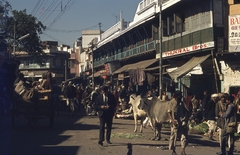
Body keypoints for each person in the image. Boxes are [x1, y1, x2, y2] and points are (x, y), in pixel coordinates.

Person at [167, 91, 189, 155]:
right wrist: (172, 120)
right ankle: (173, 150)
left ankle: (183, 150)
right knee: (174, 137)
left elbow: (186, 111)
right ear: (176, 97)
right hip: (175, 122)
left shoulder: (182, 103)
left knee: (184, 136)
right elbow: (169, 112)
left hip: (182, 121)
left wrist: (186, 119)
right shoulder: (172, 102)